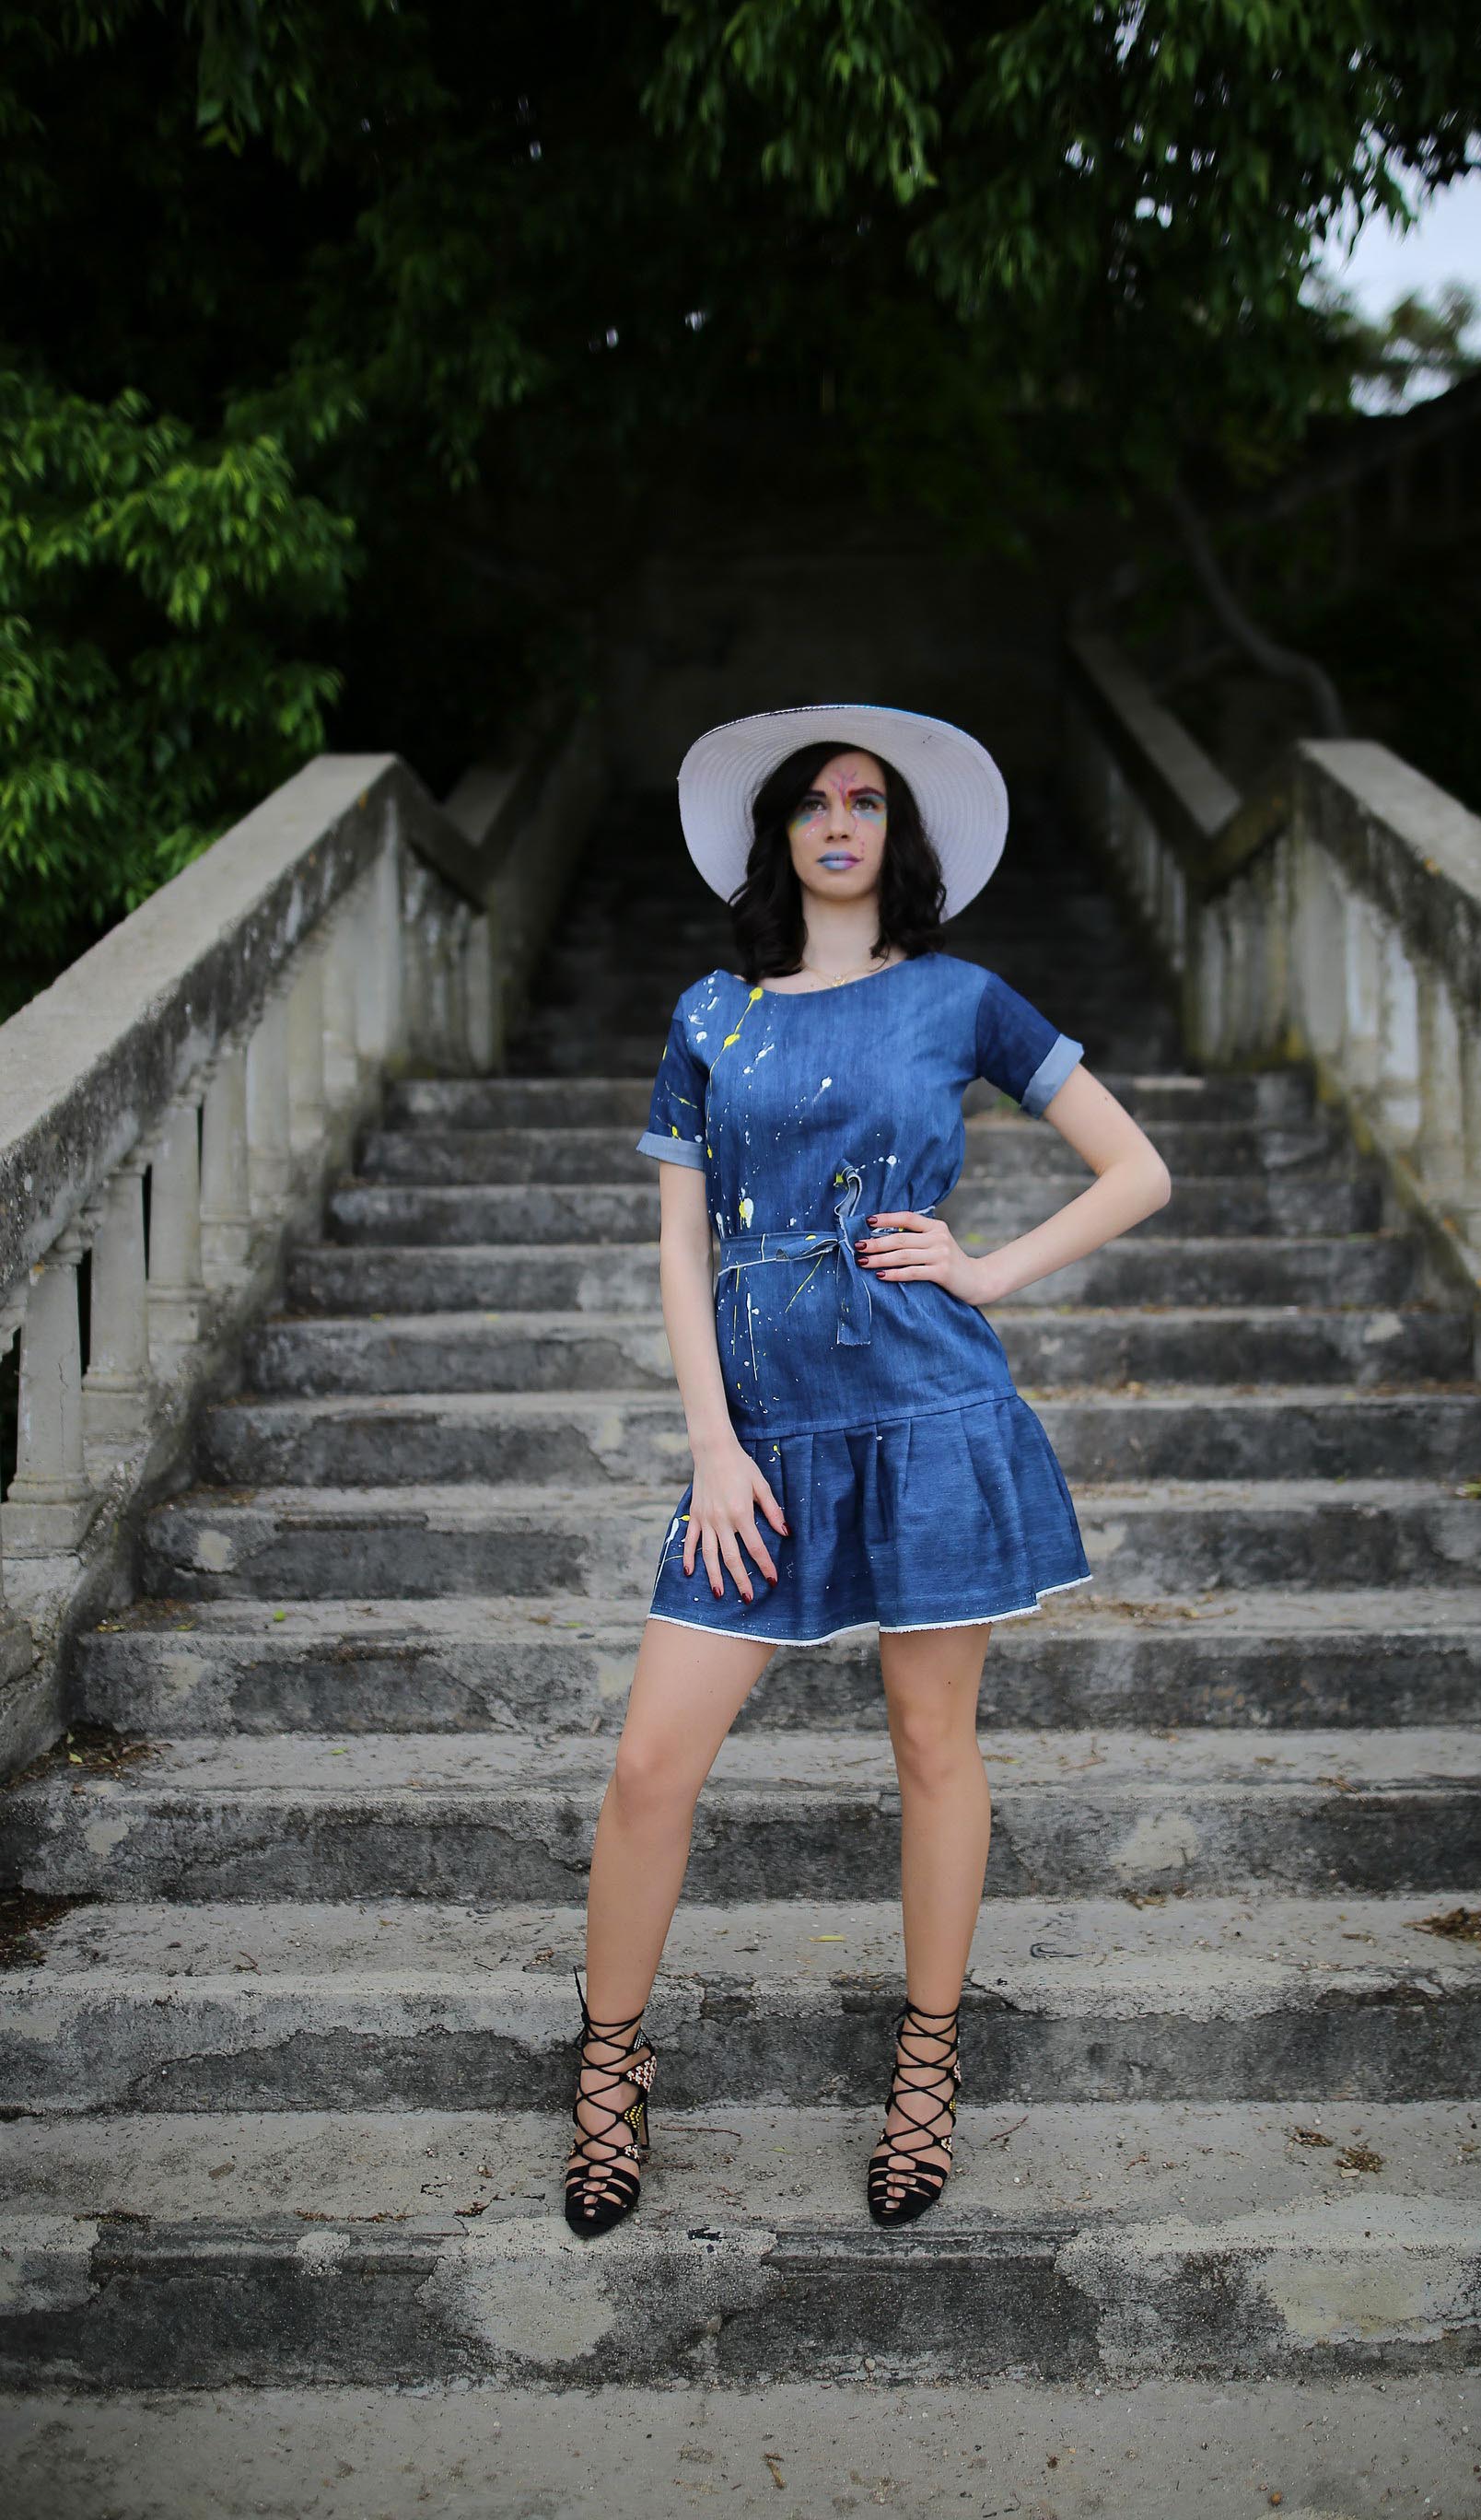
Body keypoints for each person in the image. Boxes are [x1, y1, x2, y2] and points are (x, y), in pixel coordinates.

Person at [565, 703, 1172, 2236]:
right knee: (649, 1766)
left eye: (867, 803)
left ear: (898, 837)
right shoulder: (712, 1015)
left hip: (927, 1413)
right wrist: (712, 1446)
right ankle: (610, 2073)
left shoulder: (962, 998)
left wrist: (987, 1269)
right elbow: (682, 1247)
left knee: (930, 1746)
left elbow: (1139, 1168)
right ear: (778, 835)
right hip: (758, 1436)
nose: (840, 824)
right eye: (814, 803)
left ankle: (924, 2071)